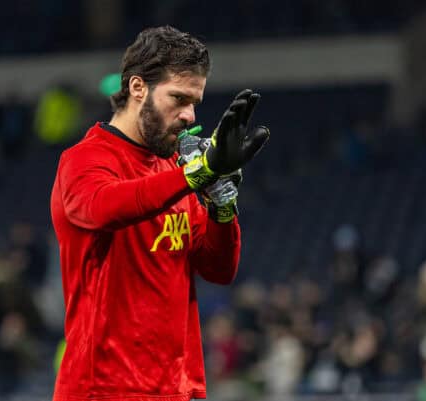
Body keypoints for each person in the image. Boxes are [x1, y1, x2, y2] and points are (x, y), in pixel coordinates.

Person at [50, 25, 269, 401]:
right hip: (104, 390)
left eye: (195, 102)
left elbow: (218, 269)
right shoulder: (84, 161)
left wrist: (220, 198)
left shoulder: (172, 171)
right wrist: (196, 173)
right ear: (138, 88)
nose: (189, 115)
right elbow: (105, 208)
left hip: (177, 389)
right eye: (178, 99)